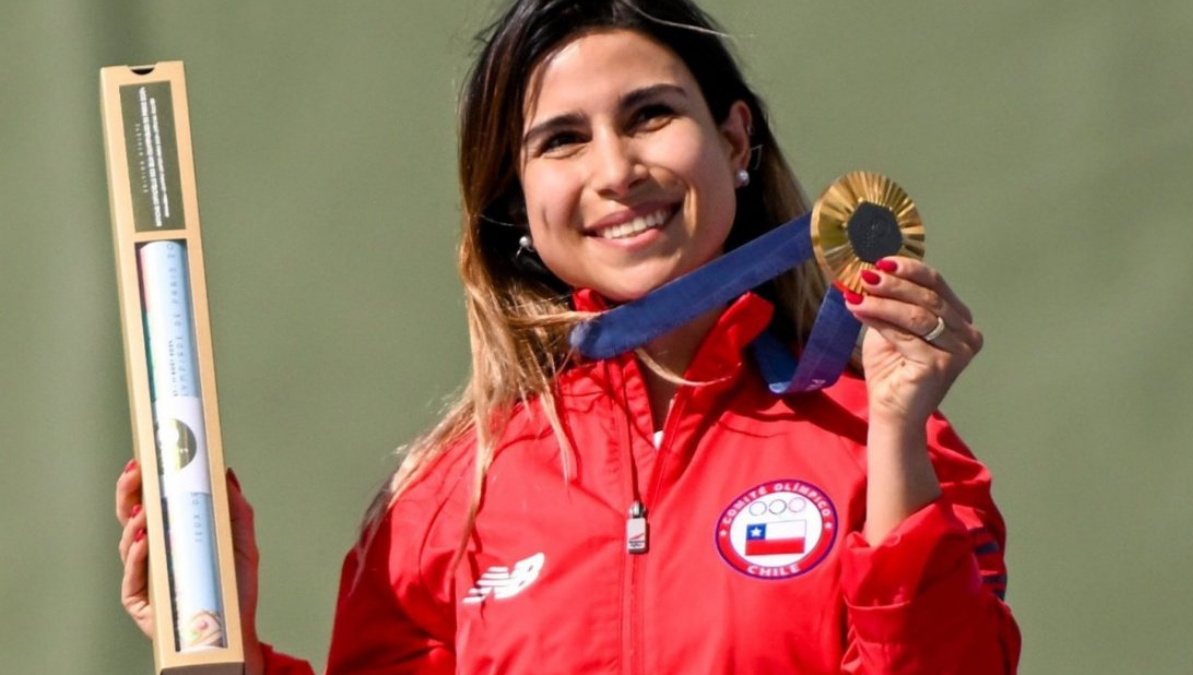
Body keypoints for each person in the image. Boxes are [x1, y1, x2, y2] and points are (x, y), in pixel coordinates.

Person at [116, 0, 1021, 672]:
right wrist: (219, 644)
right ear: (517, 202)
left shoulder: (887, 447)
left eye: (650, 115)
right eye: (561, 140)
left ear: (736, 139)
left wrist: (897, 436)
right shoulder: (446, 501)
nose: (617, 170)